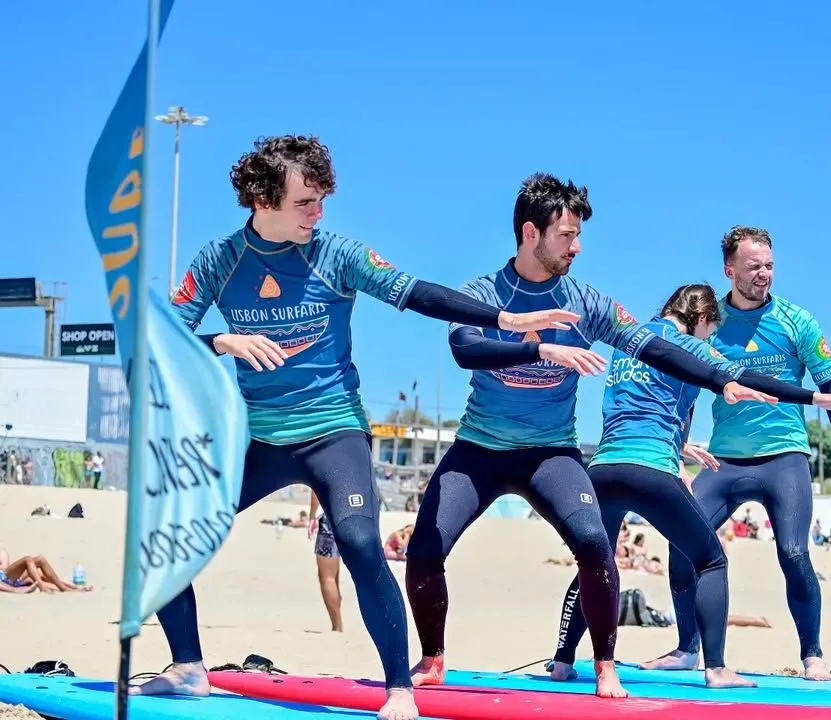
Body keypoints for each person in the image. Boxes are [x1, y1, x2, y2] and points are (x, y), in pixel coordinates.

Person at [139, 136, 581, 720]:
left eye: (322, 200)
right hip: (261, 437)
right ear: (262, 199)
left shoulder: (335, 253)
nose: (318, 214)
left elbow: (417, 292)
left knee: (359, 542)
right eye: (306, 202)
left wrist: (500, 317)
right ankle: (189, 666)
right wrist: (221, 341)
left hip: (333, 432)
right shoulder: (221, 261)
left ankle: (399, 687)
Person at [404, 172, 831, 699]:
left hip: (552, 453)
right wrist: (539, 348)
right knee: (426, 548)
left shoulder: (588, 301)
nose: (577, 246)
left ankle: (603, 666)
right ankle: (432, 659)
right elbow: (464, 349)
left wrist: (723, 380)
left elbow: (656, 348)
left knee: (595, 545)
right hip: (480, 447)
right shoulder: (481, 293)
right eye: (567, 236)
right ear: (530, 233)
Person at [545, 283, 831, 688]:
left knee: (596, 564)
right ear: (700, 319)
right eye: (710, 329)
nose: (710, 338)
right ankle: (715, 668)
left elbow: (641, 405)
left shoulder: (627, 343)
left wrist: (680, 445)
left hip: (604, 467)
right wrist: (813, 399)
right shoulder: (689, 346)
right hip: (651, 470)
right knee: (710, 560)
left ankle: (561, 662)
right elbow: (744, 375)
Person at [648, 226, 831, 682]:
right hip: (724, 458)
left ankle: (812, 654)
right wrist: (676, 446)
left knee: (792, 552)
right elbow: (686, 383)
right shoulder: (712, 323)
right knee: (681, 541)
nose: (763, 274)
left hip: (784, 456)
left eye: (769, 265)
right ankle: (687, 648)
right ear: (729, 270)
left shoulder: (797, 321)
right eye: (753, 267)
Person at [308, 493, 343, 632]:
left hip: (331, 518)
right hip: (354, 516)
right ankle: (338, 623)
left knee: (327, 577)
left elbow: (316, 491)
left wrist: (312, 516)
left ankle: (337, 626)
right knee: (334, 576)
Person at [0, 549, 93, 593]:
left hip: (11, 577)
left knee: (41, 560)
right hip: (4, 580)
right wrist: (15, 590)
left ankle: (72, 589)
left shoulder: (2, 552)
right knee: (27, 559)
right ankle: (42, 588)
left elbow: (6, 566)